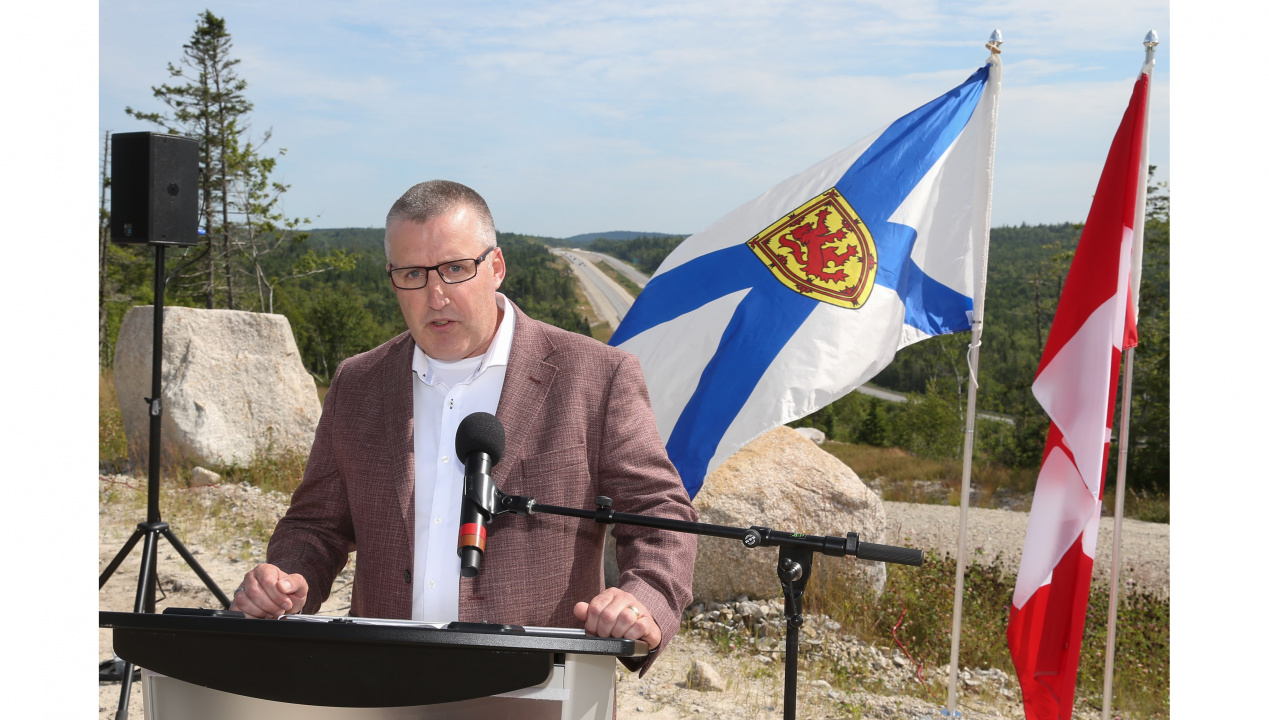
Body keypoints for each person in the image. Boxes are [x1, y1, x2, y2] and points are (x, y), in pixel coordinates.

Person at [230, 180, 697, 673]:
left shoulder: (596, 376)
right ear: (392, 279)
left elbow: (658, 512)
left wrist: (642, 598)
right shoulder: (358, 382)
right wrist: (287, 578)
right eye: (413, 273)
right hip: (383, 681)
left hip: (540, 683)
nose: (435, 296)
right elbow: (316, 524)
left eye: (455, 269)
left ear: (495, 267)